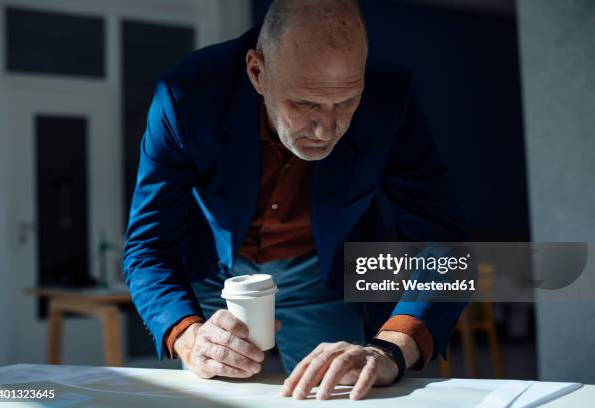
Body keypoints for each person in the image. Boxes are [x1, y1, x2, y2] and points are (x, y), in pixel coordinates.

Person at [123, 0, 468, 400]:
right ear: (257, 71)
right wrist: (188, 336)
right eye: (303, 103)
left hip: (319, 272)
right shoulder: (186, 95)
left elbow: (447, 245)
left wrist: (391, 346)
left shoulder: (390, 98)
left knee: (337, 393)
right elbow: (147, 248)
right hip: (216, 274)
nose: (326, 130)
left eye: (346, 102)